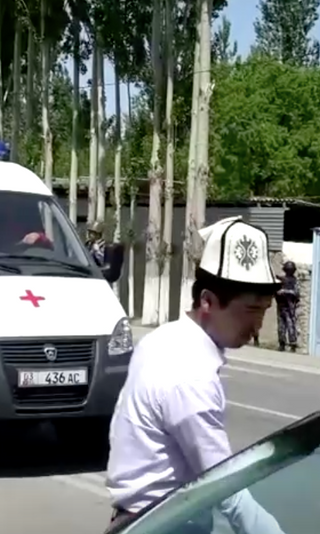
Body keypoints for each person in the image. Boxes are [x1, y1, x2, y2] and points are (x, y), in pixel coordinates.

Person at [105, 217, 284, 534]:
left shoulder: (164, 338)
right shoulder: (190, 375)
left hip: (140, 519)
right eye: (251, 311)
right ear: (208, 301)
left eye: (265, 310)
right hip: (163, 526)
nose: (257, 327)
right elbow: (224, 485)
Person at [276, 261, 299, 352]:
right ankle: (282, 343)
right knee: (281, 325)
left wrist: (285, 291)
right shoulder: (282, 280)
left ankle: (292, 344)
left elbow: (296, 293)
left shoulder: (295, 281)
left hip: (290, 306)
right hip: (281, 305)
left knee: (290, 324)